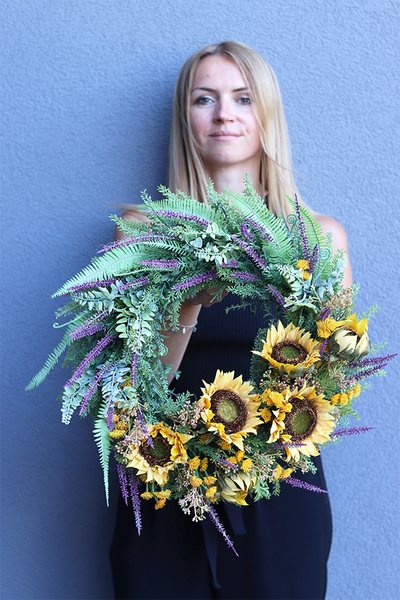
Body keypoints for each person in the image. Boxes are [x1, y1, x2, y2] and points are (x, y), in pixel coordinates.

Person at [110, 41, 353, 600]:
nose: (224, 114)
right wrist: (189, 301)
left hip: (277, 491)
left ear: (265, 114)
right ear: (185, 117)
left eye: (243, 98)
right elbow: (127, 385)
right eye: (205, 99)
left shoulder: (318, 238)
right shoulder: (143, 231)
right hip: (164, 483)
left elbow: (330, 384)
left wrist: (252, 455)